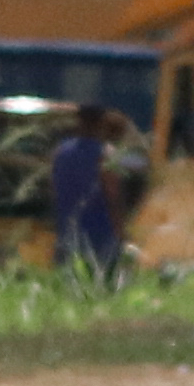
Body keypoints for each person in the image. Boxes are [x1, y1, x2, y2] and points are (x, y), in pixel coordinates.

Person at [45, 105, 129, 278]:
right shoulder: (106, 154)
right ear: (101, 124)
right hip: (100, 231)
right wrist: (121, 230)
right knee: (102, 281)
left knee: (69, 281)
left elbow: (53, 188)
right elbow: (113, 194)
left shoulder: (60, 151)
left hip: (68, 229)